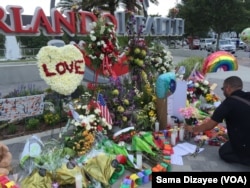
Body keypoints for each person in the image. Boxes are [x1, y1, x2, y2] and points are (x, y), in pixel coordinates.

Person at [185, 76, 250, 166]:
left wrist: (192, 129)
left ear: (227, 88)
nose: (223, 91)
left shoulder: (228, 103)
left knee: (224, 152)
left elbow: (210, 125)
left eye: (223, 88)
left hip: (245, 142)